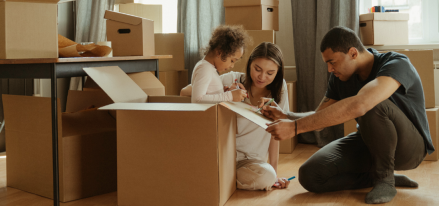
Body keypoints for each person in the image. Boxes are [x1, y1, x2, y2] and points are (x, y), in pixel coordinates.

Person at [261, 26, 433, 204]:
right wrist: (286, 116)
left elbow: (362, 104)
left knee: (372, 103)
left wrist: (295, 128)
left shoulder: (396, 63)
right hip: (369, 142)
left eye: (332, 62)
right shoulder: (340, 77)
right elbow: (320, 118)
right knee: (310, 175)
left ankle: (385, 180)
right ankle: (375, 177)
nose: (329, 69)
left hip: (410, 148)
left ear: (352, 53)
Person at [182, 42, 292, 190]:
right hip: (223, 155)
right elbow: (186, 92)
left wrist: (275, 173)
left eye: (270, 73)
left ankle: (219, 178)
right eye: (257, 69)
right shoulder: (232, 79)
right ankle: (220, 177)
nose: (262, 77)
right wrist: (225, 94)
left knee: (267, 177)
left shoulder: (280, 90)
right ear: (249, 64)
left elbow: (276, 133)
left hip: (251, 162)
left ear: (277, 73)